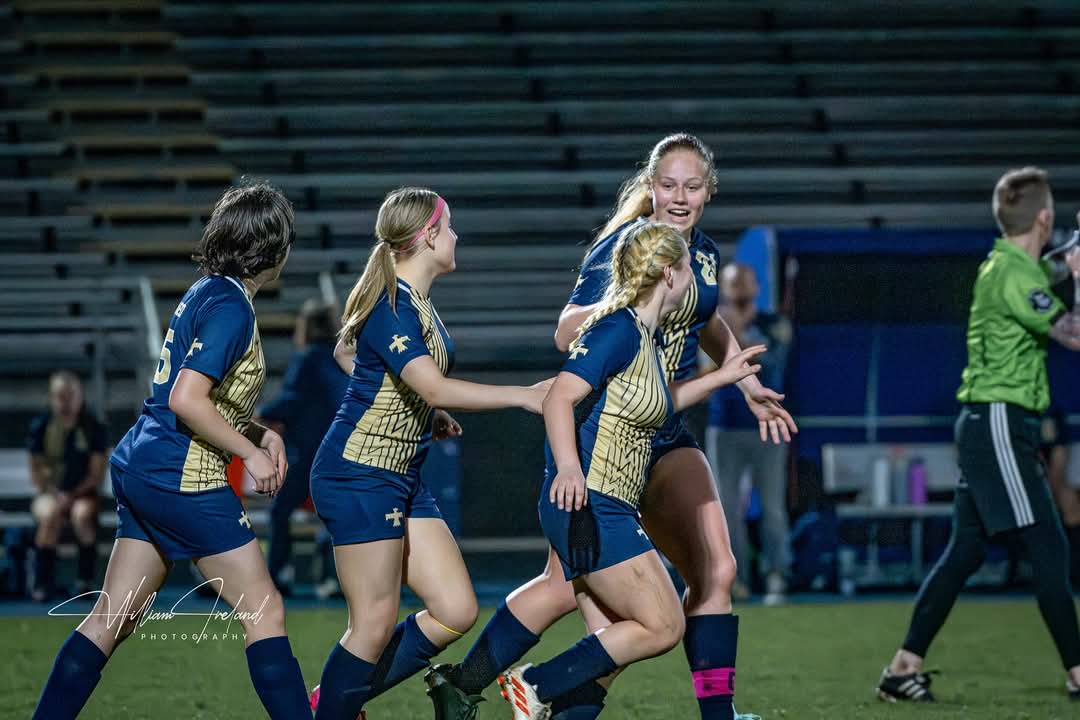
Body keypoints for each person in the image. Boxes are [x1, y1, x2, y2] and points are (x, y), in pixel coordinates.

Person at [427, 133, 796, 720]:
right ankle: (489, 684)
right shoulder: (633, 246)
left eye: (692, 186)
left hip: (663, 423)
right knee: (576, 592)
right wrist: (623, 324)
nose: (679, 196)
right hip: (609, 430)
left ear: (709, 191)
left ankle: (709, 716)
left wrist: (744, 380)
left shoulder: (700, 253)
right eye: (668, 184)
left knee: (715, 568)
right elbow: (565, 329)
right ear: (651, 188)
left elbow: (707, 316)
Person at [32, 182, 312, 719]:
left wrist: (258, 433)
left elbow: (192, 396)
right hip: (180, 476)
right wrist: (248, 454)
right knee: (265, 610)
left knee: (111, 618)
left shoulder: (207, 290)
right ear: (272, 249)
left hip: (143, 463)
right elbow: (187, 399)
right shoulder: (232, 307)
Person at [496, 220, 764, 718]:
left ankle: (531, 689)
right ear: (668, 273)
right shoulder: (621, 327)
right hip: (596, 497)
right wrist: (569, 470)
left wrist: (726, 377)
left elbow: (663, 403)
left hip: (613, 496)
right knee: (653, 623)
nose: (696, 280)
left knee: (644, 624)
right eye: (687, 269)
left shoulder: (645, 334)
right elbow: (560, 397)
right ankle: (530, 681)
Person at [307, 186, 551, 720]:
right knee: (372, 625)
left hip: (400, 476)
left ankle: (332, 703)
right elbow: (433, 384)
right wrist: (523, 395)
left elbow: (346, 349)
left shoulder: (412, 301)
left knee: (456, 609)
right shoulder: (394, 304)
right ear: (429, 235)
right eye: (451, 226)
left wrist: (418, 403)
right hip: (359, 474)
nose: (457, 235)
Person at [876, 167, 1080, 702]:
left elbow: (1045, 274)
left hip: (992, 424)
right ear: (1044, 217)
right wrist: (1078, 275)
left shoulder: (1011, 265)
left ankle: (902, 669)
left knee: (966, 552)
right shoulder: (1013, 275)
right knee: (1049, 547)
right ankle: (1079, 671)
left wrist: (1070, 261)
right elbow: (1072, 332)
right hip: (999, 423)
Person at [705, 264, 792, 605]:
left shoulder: (774, 324)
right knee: (726, 508)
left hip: (767, 426)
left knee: (772, 507)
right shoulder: (713, 327)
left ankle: (777, 574)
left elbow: (768, 361)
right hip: (725, 427)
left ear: (756, 286)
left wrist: (734, 334)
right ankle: (736, 577)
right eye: (732, 283)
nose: (738, 288)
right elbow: (708, 370)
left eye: (744, 281)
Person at [257, 299, 349, 594]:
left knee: (281, 510)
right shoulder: (343, 360)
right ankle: (335, 578)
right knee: (333, 514)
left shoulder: (307, 357)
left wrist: (261, 414)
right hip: (341, 447)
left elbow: (292, 400)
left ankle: (278, 575)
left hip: (309, 450)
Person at [26, 370, 108, 601]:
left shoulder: (92, 426)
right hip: (50, 493)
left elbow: (96, 475)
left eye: (71, 395)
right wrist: (55, 492)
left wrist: (71, 495)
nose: (66, 402)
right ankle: (43, 583)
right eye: (60, 396)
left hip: (83, 494)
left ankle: (85, 581)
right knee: (49, 513)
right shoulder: (41, 427)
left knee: (81, 515)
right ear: (52, 397)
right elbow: (37, 471)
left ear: (80, 395)